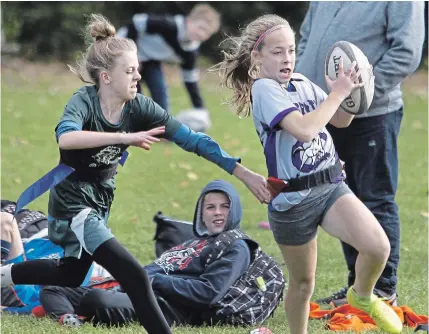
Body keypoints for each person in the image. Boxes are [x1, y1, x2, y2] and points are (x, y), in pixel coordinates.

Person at [0, 14, 270, 334]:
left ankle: (3, 275)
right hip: (72, 205)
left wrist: (243, 172)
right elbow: (66, 138)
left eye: (138, 68)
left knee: (69, 275)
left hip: (99, 203)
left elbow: (193, 140)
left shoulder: (140, 107)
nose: (138, 76)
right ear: (106, 77)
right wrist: (124, 138)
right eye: (130, 70)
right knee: (135, 276)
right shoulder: (83, 103)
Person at [212, 13, 403, 334]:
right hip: (293, 203)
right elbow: (303, 129)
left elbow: (340, 121)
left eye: (290, 50)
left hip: (330, 188)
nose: (287, 58)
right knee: (303, 285)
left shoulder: (301, 82)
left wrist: (355, 90)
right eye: (277, 52)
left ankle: (362, 296)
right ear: (257, 58)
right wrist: (337, 94)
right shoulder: (264, 90)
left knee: (378, 248)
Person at [295, 1, 425, 306]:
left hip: (373, 118)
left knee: (374, 198)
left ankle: (381, 291)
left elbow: (406, 52)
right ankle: (358, 288)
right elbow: (306, 38)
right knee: (342, 198)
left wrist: (358, 98)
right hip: (324, 113)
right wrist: (303, 87)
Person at [39, 180, 252, 327]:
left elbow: (208, 292)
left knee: (97, 299)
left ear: (234, 211)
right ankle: (70, 318)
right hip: (136, 286)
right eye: (210, 207)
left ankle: (82, 311)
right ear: (201, 214)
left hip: (164, 304)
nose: (217, 212)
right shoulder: (195, 242)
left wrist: (153, 281)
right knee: (54, 289)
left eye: (225, 207)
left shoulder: (236, 247)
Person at [117, 4, 221, 132]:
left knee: (161, 102)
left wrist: (201, 110)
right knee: (135, 98)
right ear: (189, 21)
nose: (202, 34)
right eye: (200, 28)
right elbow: (136, 22)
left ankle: (158, 132)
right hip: (122, 52)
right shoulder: (169, 25)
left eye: (207, 33)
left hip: (150, 60)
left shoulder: (190, 52)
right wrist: (131, 56)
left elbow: (190, 81)